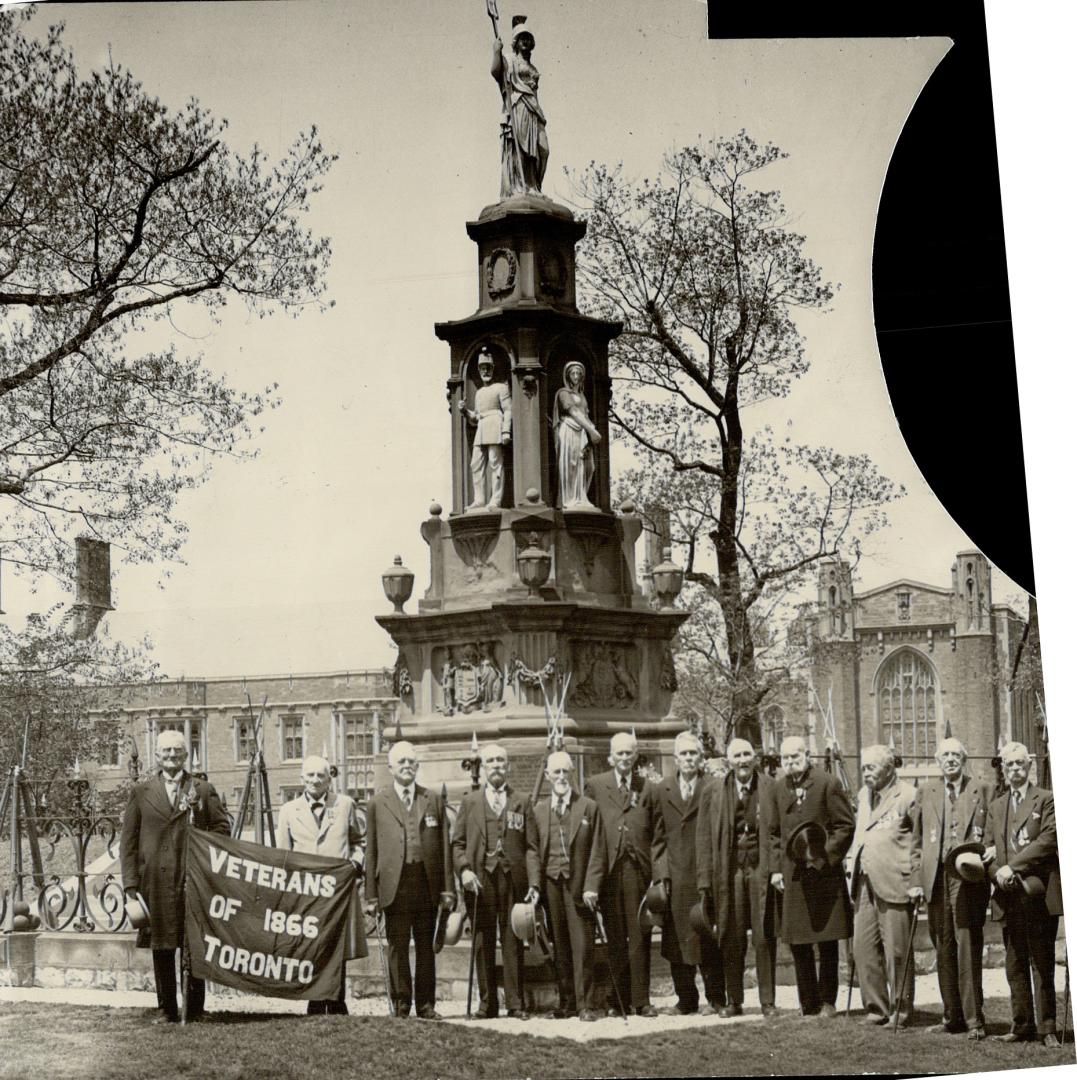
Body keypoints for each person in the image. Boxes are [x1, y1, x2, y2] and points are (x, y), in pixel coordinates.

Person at [120, 730, 230, 1023]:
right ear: (157, 756)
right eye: (166, 751)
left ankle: (194, 1008)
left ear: (185, 755)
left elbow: (222, 830)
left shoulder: (202, 790)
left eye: (177, 751)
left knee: (193, 944)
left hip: (192, 879)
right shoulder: (141, 793)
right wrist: (131, 885)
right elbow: (128, 844)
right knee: (162, 945)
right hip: (154, 883)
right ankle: (166, 1008)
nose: (171, 756)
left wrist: (202, 840)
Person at [765, 735, 855, 1017]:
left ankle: (828, 1000)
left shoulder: (828, 783)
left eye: (796, 756)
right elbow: (772, 833)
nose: (791, 762)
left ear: (808, 754)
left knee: (827, 940)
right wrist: (776, 869)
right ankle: (808, 1003)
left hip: (824, 874)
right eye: (786, 758)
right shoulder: (779, 788)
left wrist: (822, 857)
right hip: (794, 878)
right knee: (799, 942)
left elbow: (845, 825)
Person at [451, 743, 540, 1019]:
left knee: (513, 940)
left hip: (513, 879)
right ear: (483, 766)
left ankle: (515, 1003)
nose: (497, 766)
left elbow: (532, 848)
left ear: (508, 766)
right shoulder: (470, 802)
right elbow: (457, 844)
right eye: (491, 761)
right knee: (482, 940)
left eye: (501, 761)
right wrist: (464, 871)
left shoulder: (521, 801)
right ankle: (487, 1004)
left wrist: (534, 883)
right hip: (480, 880)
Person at [363, 741, 451, 1020]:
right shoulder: (378, 802)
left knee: (426, 946)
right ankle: (401, 1003)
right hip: (394, 884)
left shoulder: (433, 799)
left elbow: (445, 846)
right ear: (390, 767)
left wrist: (448, 888)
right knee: (397, 946)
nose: (406, 766)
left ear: (417, 766)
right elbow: (371, 850)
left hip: (425, 881)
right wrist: (371, 894)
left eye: (411, 762)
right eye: (400, 762)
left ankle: (425, 1005)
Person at [984, 741, 1063, 1047]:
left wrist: (1012, 868)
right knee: (1014, 963)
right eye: (1009, 765)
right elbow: (988, 852)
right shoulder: (997, 806)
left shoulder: (1046, 799)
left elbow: (1048, 840)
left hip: (1038, 893)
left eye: (1019, 763)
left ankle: (1047, 1028)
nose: (1015, 769)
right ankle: (1021, 1026)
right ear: (1003, 770)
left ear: (1029, 765)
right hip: (1008, 896)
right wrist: (997, 875)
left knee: (1041, 961)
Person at [277, 754, 368, 1015]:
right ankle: (315, 999)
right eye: (310, 775)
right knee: (311, 943)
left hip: (337, 891)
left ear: (329, 779)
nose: (315, 780)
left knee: (336, 944)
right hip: (306, 890)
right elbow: (284, 854)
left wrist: (354, 864)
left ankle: (337, 999)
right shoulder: (288, 811)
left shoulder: (345, 805)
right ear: (302, 779)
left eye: (321, 776)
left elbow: (359, 841)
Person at [697, 737, 779, 1017]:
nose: (743, 760)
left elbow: (777, 831)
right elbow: (705, 838)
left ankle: (767, 1000)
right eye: (737, 756)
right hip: (729, 870)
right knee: (731, 933)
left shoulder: (770, 787)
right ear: (728, 760)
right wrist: (705, 880)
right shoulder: (715, 791)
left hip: (760, 868)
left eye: (747, 754)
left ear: (755, 758)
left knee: (763, 933)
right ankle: (735, 1000)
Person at [919, 737, 992, 1039]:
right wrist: (916, 881)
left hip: (967, 877)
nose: (950, 759)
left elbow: (991, 831)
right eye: (944, 755)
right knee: (943, 946)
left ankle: (975, 1020)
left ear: (964, 759)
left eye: (955, 755)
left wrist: (990, 850)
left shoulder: (982, 789)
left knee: (967, 946)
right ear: (938, 761)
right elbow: (916, 838)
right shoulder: (927, 792)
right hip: (936, 879)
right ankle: (952, 1017)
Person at [651, 731, 727, 1015]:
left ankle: (717, 998)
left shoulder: (713, 787)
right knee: (675, 941)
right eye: (683, 754)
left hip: (703, 873)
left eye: (693, 753)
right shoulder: (663, 789)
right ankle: (686, 999)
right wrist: (661, 874)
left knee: (706, 935)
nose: (688, 759)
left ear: (701, 757)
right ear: (675, 759)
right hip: (675, 877)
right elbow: (657, 838)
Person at [585, 731, 660, 1017]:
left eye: (629, 753)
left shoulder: (648, 788)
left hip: (637, 870)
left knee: (640, 933)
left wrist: (655, 873)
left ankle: (641, 1000)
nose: (625, 758)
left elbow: (657, 834)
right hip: (610, 870)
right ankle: (618, 999)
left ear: (636, 755)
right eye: (620, 753)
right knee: (615, 937)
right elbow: (591, 831)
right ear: (610, 757)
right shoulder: (596, 785)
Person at [849, 744, 922, 1027]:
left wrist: (916, 882)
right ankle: (875, 1008)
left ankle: (901, 1011)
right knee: (863, 948)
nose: (865, 773)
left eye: (871, 768)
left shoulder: (908, 796)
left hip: (894, 881)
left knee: (897, 951)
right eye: (863, 768)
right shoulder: (863, 796)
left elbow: (917, 842)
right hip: (864, 881)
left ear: (889, 769)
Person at [534, 750, 606, 1021]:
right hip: (551, 885)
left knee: (583, 946)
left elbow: (598, 851)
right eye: (556, 772)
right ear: (547, 776)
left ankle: (586, 1004)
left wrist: (592, 886)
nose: (561, 777)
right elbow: (533, 850)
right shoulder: (539, 811)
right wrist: (535, 887)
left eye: (566, 772)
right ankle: (567, 1003)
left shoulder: (588, 807)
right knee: (560, 945)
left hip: (579, 887)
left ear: (572, 774)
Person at [490, 16, 548, 196]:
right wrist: (496, 51)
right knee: (521, 149)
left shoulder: (532, 66)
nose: (526, 41)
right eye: (522, 38)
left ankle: (534, 186)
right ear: (516, 41)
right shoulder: (509, 60)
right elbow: (496, 72)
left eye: (528, 38)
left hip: (533, 110)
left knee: (542, 149)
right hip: (518, 106)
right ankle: (521, 187)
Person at [458, 348, 511, 511]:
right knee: (476, 464)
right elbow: (476, 417)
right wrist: (464, 411)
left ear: (493, 369)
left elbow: (508, 409)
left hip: (495, 424)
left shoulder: (501, 387)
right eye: (482, 368)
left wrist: (506, 431)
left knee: (496, 463)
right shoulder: (479, 392)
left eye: (488, 367)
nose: (485, 371)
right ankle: (479, 499)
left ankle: (495, 500)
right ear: (479, 370)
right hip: (481, 428)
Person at [553, 361, 601, 509]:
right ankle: (570, 500)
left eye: (578, 374)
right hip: (569, 430)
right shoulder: (563, 393)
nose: (576, 376)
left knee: (588, 466)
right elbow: (573, 412)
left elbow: (584, 415)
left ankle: (582, 497)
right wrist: (592, 431)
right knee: (571, 464)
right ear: (568, 376)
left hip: (582, 432)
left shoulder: (582, 396)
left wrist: (591, 428)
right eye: (573, 373)